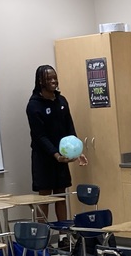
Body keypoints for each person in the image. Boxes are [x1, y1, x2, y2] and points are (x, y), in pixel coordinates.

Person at [27, 65, 87, 224]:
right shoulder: (34, 105)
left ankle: (63, 236)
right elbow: (40, 136)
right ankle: (42, 237)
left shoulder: (61, 101)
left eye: (55, 77)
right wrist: (55, 155)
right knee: (45, 197)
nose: (53, 81)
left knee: (61, 194)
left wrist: (78, 151)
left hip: (62, 157)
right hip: (44, 158)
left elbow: (69, 128)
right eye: (49, 79)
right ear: (41, 81)